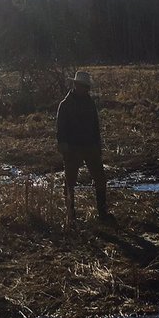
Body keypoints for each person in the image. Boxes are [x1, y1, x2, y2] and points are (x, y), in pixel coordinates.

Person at [56, 69, 112, 223]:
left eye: (86, 87)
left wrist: (98, 147)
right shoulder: (65, 105)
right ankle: (70, 215)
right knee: (70, 182)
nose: (85, 89)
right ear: (76, 85)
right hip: (72, 149)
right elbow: (60, 130)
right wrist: (64, 148)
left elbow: (95, 126)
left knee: (100, 179)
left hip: (90, 147)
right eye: (82, 86)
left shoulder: (90, 103)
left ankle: (102, 213)